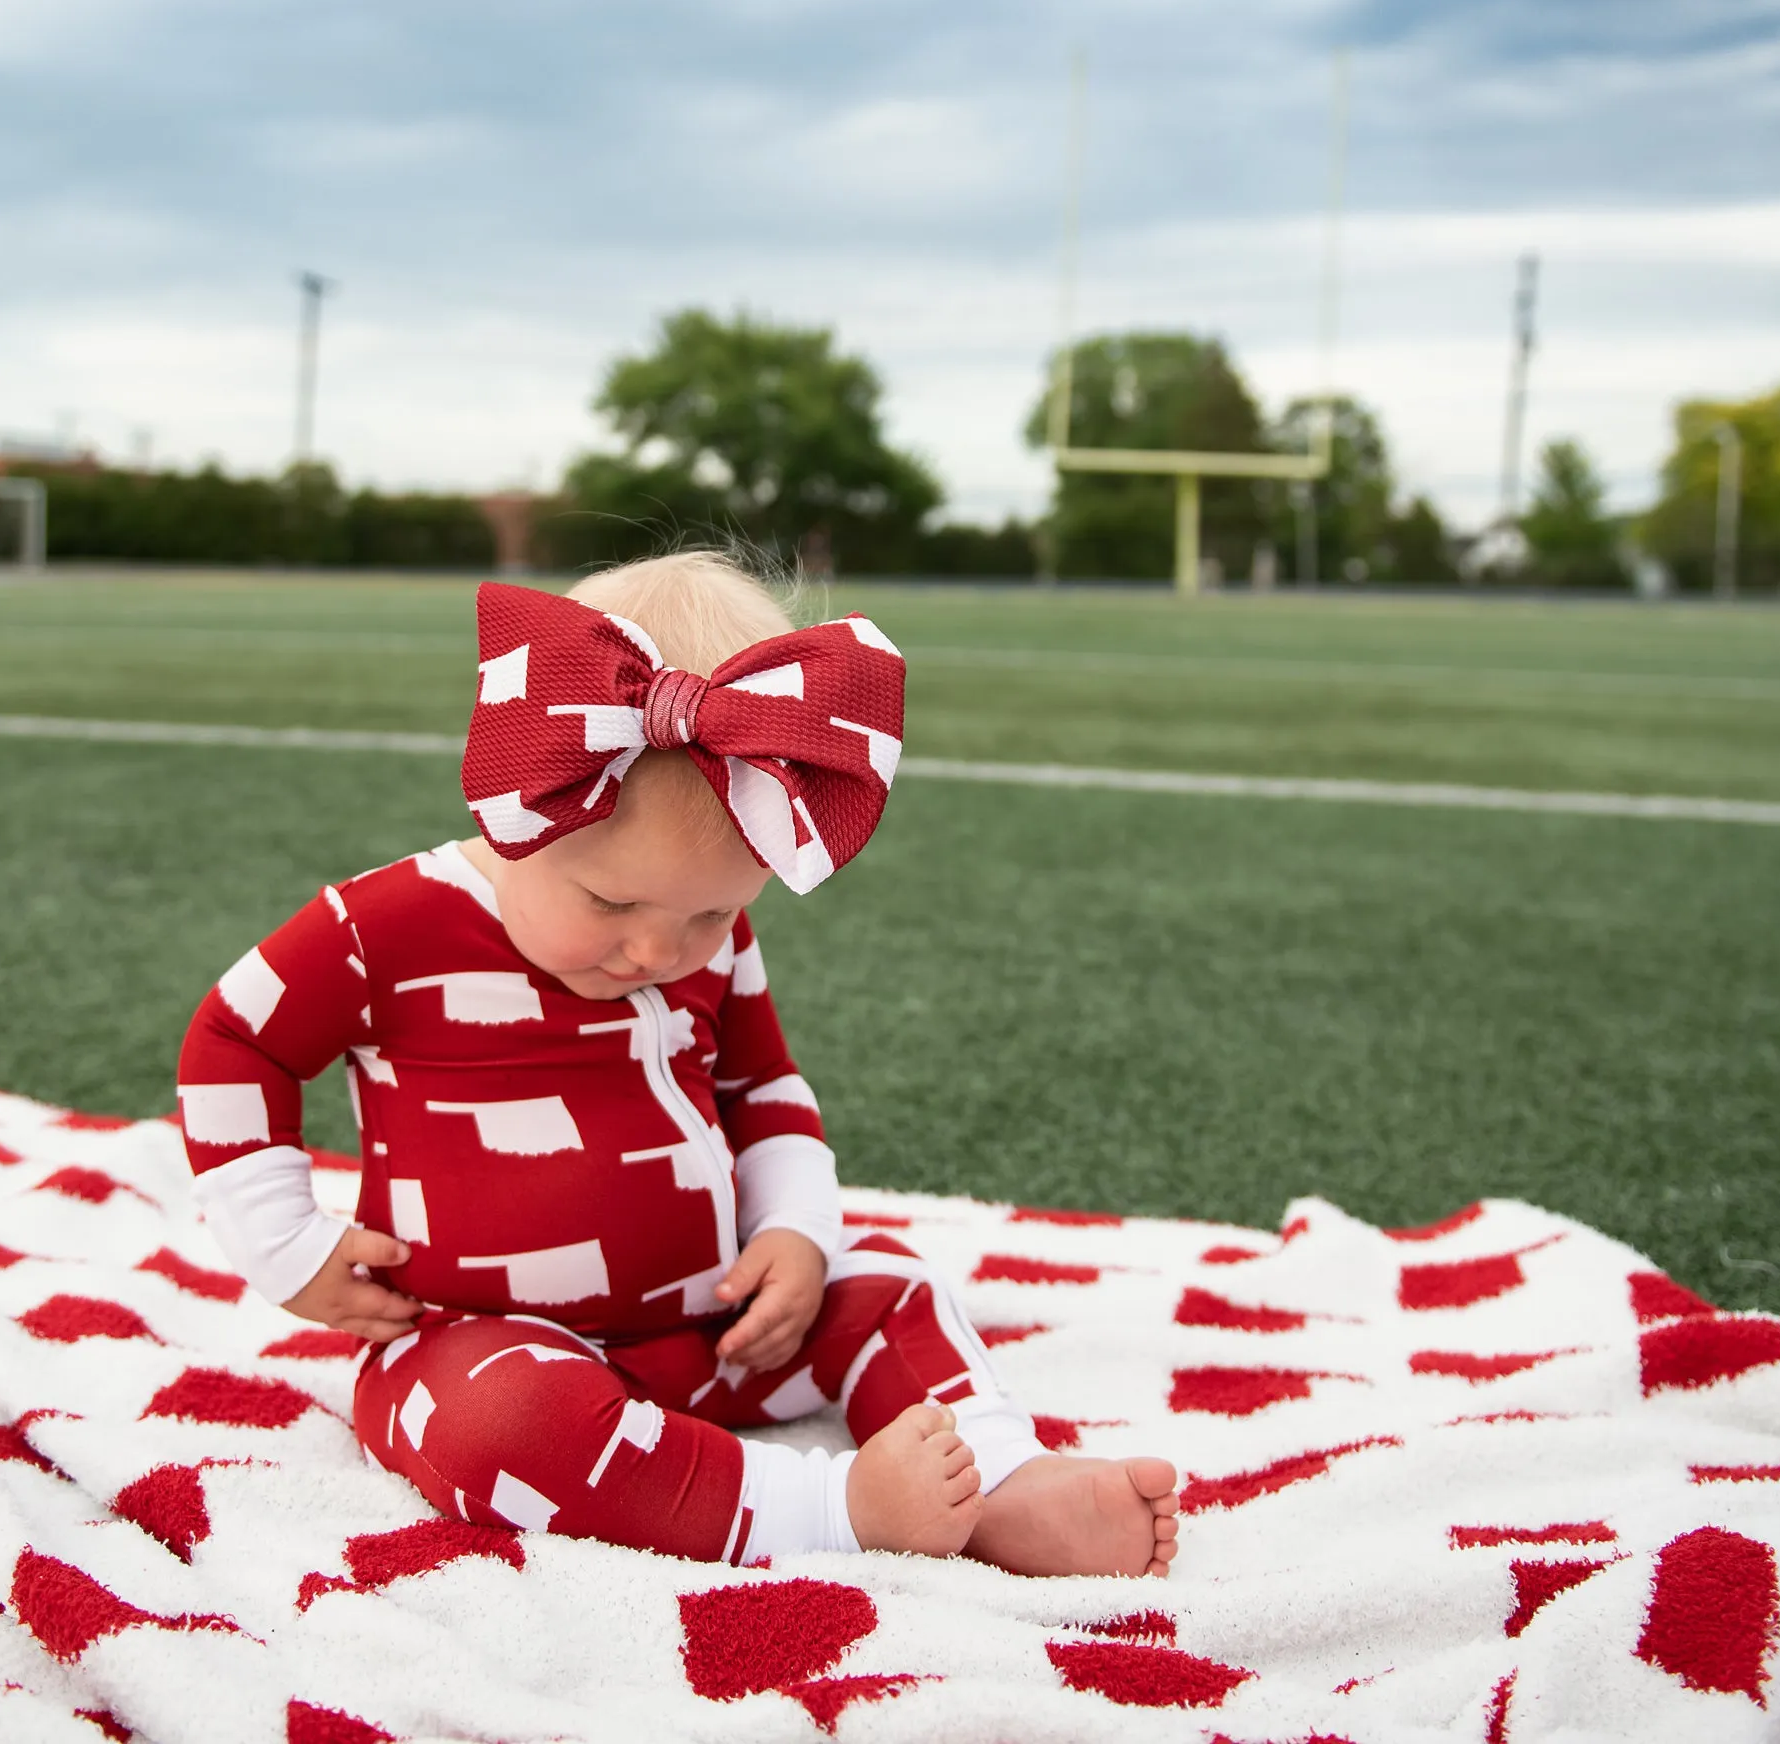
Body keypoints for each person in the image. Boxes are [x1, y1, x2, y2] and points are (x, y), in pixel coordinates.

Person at [175, 551, 1180, 1573]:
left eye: (710, 910)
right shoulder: (381, 927)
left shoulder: (711, 941)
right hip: (476, 1334)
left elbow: (763, 1090)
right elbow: (235, 1038)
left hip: (713, 1332)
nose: (658, 951)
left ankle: (1001, 1481)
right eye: (609, 902)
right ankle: (828, 1506)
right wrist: (286, 1243)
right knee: (503, 1427)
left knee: (884, 1280)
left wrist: (793, 1228)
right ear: (519, 817)